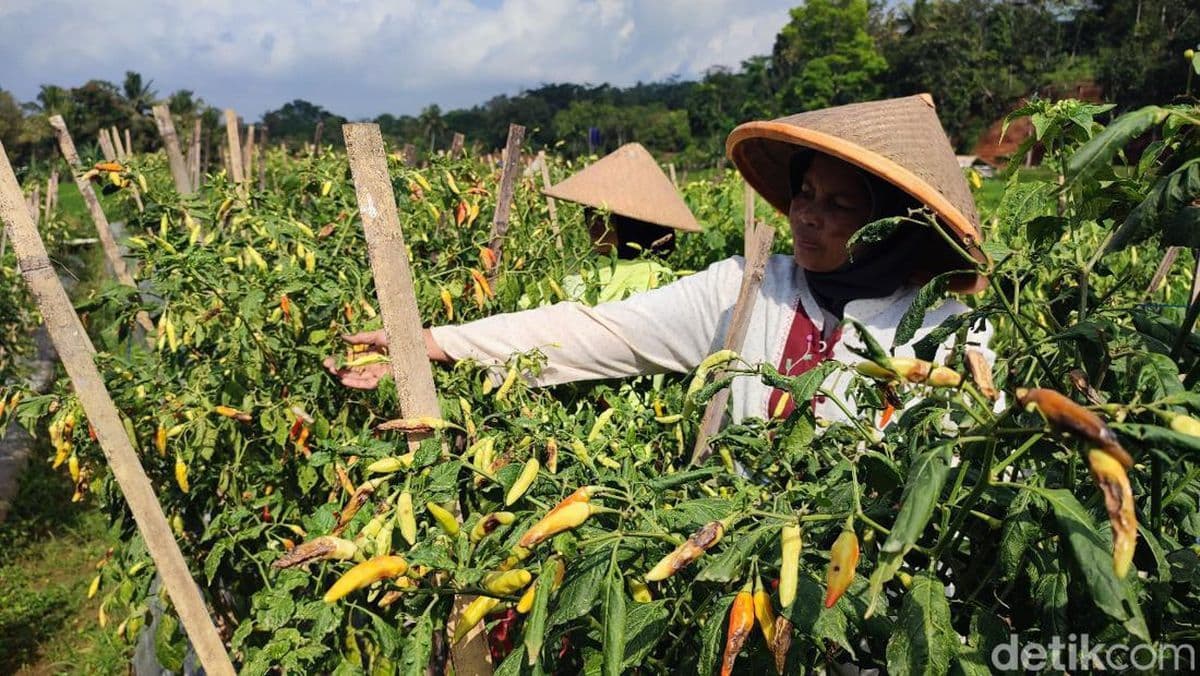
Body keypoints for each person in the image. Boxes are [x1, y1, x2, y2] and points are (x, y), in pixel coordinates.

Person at [325, 94, 993, 424]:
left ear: (898, 228)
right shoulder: (751, 289)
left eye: (842, 206)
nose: (808, 215)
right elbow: (595, 329)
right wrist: (429, 345)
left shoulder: (950, 331)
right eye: (805, 192)